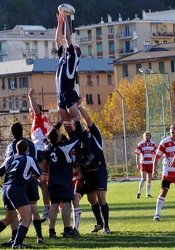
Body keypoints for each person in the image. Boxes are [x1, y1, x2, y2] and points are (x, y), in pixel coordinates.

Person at [0, 140, 44, 249]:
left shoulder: (10, 159)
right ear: (28, 149)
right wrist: (37, 178)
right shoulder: (30, 159)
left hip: (5, 189)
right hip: (16, 188)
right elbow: (41, 177)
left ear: (16, 149)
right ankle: (17, 244)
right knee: (27, 217)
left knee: (9, 218)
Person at [55, 10, 93, 167]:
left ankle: (88, 151)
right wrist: (59, 24)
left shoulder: (73, 57)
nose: (69, 47)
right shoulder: (63, 57)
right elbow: (58, 39)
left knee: (77, 122)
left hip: (70, 93)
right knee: (67, 125)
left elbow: (67, 38)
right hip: (60, 95)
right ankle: (77, 152)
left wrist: (67, 20)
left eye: (72, 47)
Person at [0, 122, 46, 246]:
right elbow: (41, 158)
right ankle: (39, 236)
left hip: (18, 181)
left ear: (12, 133)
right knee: (34, 208)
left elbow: (9, 163)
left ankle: (15, 238)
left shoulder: (11, 146)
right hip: (31, 180)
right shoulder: (32, 144)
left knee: (15, 210)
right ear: (22, 131)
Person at [44, 120, 82, 239]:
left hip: (52, 180)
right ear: (58, 138)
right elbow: (77, 137)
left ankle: (51, 231)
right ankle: (67, 229)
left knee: (54, 205)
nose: (61, 133)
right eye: (59, 133)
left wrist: (59, 124)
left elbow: (49, 137)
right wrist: (77, 123)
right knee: (66, 203)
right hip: (64, 180)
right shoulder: (64, 147)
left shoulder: (48, 146)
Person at [77, 104, 110, 234]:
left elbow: (89, 120)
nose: (86, 128)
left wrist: (79, 107)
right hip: (87, 174)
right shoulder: (81, 140)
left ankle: (106, 226)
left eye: (86, 127)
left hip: (99, 171)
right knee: (91, 200)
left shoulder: (96, 136)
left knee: (101, 198)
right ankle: (99, 223)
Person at [28, 88, 52, 222]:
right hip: (40, 153)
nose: (31, 112)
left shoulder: (39, 117)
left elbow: (36, 110)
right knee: (42, 182)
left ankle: (46, 209)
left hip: (41, 154)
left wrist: (30, 97)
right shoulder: (41, 122)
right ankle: (48, 208)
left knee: (42, 182)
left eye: (31, 109)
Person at [152, 124, 175, 222]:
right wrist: (154, 169)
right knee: (164, 191)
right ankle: (157, 214)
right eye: (171, 128)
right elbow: (157, 156)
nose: (172, 130)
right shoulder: (164, 142)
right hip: (168, 171)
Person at [135, 132, 157, 198]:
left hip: (150, 163)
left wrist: (156, 164)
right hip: (143, 163)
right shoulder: (141, 144)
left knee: (149, 179)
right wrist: (137, 163)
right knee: (143, 178)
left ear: (150, 137)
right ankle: (139, 193)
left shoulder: (153, 144)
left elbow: (157, 154)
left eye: (148, 135)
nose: (147, 137)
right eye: (145, 136)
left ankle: (148, 194)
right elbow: (137, 154)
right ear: (143, 137)